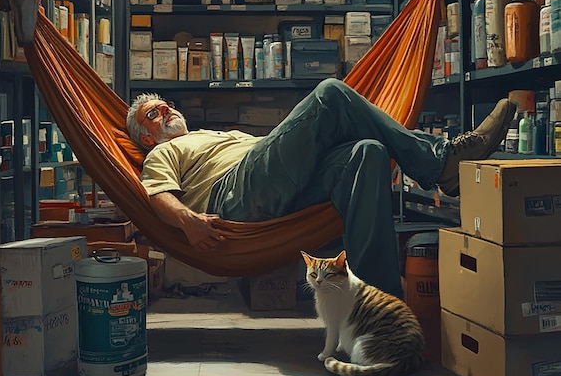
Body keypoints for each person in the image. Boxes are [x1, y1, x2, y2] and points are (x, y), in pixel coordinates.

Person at [126, 79, 515, 297]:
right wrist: (189, 220)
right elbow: (157, 195)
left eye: (165, 104)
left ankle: (376, 310)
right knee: (331, 94)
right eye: (153, 114)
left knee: (368, 152)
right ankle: (440, 162)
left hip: (274, 182)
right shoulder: (165, 153)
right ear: (146, 138)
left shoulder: (214, 135)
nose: (166, 110)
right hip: (234, 196)